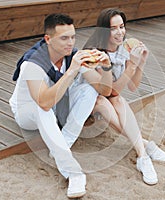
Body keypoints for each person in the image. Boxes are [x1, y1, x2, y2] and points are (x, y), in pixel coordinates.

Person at [9, 13, 112, 198]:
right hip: (28, 112)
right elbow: (44, 102)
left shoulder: (71, 55)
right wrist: (73, 69)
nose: (70, 43)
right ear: (48, 39)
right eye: (64, 38)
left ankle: (64, 142)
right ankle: (74, 173)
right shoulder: (32, 63)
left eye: (73, 37)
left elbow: (103, 90)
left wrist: (106, 67)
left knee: (89, 90)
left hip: (56, 106)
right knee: (41, 108)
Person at [83, 8, 165, 185]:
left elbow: (132, 86)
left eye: (122, 26)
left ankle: (142, 154)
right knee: (105, 100)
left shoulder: (123, 49)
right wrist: (131, 65)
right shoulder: (95, 53)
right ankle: (145, 148)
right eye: (113, 28)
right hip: (86, 102)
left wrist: (140, 63)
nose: (120, 32)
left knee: (118, 101)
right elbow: (109, 91)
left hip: (106, 97)